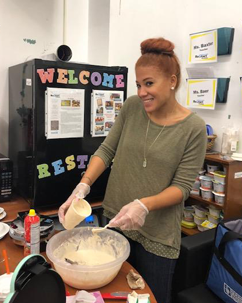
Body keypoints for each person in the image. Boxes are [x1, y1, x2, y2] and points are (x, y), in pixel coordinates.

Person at [58, 37, 207, 303]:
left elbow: (183, 187)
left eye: (149, 83)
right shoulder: (131, 108)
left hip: (158, 236)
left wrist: (144, 205)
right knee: (111, 296)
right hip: (116, 222)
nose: (141, 92)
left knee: (150, 298)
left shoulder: (193, 128)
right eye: (138, 84)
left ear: (172, 81)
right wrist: (83, 185)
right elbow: (106, 150)